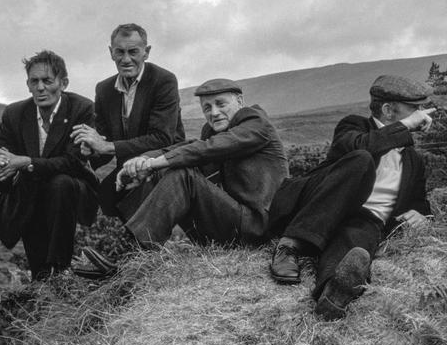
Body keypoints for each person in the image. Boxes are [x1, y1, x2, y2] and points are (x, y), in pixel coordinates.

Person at [73, 79, 288, 276]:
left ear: (240, 101)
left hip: (259, 228)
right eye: (207, 107)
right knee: (168, 170)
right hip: (232, 226)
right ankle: (130, 254)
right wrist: (142, 161)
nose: (213, 112)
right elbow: (186, 147)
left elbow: (206, 149)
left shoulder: (256, 123)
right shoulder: (215, 131)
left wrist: (153, 163)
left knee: (182, 175)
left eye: (221, 104)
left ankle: (128, 254)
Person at [267, 75, 433, 320]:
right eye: (414, 109)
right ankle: (289, 246)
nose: (422, 114)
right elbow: (361, 148)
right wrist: (405, 126)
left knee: (356, 247)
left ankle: (332, 295)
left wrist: (421, 214)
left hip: (364, 218)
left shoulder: (414, 159)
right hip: (325, 203)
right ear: (388, 110)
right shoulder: (353, 126)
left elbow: (418, 201)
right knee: (361, 159)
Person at [0, 50, 98, 281]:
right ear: (27, 84)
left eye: (47, 81)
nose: (40, 88)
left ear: (63, 83)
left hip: (73, 189)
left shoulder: (82, 109)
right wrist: (1, 170)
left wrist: (27, 163)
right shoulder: (14, 113)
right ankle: (41, 278)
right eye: (34, 81)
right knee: (30, 187)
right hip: (29, 190)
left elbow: (73, 162)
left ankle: (59, 269)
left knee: (59, 183)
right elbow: (5, 157)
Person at [70, 23, 185, 220]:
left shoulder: (164, 80)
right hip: (127, 169)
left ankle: (145, 249)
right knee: (102, 197)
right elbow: (105, 144)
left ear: (146, 52)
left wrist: (107, 146)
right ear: (111, 53)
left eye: (133, 51)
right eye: (120, 52)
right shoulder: (104, 89)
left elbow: (163, 138)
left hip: (161, 164)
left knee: (135, 200)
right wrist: (91, 151)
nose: (126, 59)